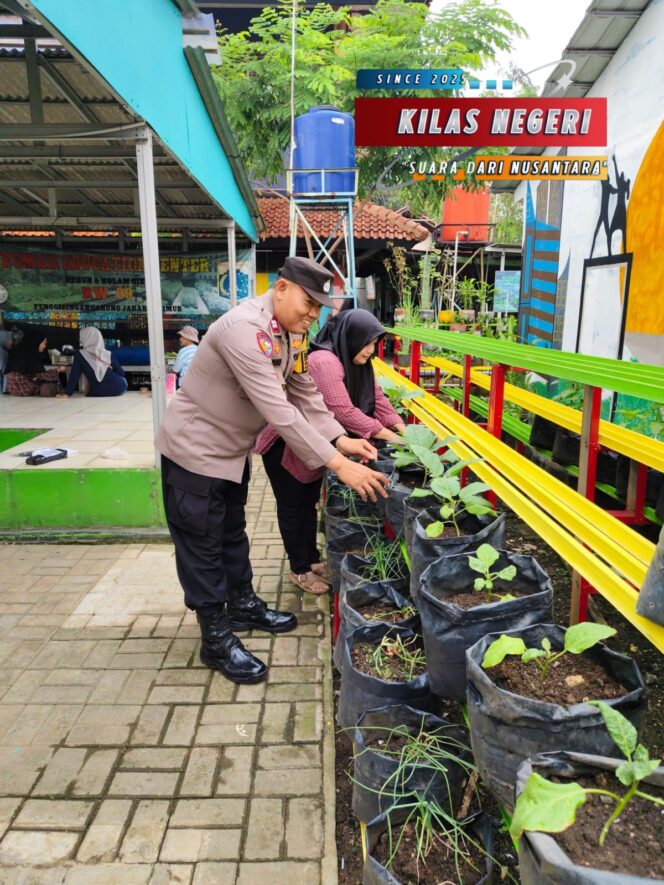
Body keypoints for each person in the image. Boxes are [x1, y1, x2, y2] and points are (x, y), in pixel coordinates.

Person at [157, 256, 388, 685]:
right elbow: (280, 412)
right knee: (202, 543)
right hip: (193, 453)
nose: (313, 314)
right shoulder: (245, 331)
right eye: (308, 302)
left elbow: (306, 395)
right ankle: (215, 637)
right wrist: (339, 465)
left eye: (320, 308)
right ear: (281, 288)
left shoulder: (290, 334)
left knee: (230, 531)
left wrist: (341, 438)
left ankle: (242, 603)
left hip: (229, 454)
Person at [256, 308, 405, 594]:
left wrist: (404, 430)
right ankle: (299, 570)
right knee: (292, 507)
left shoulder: (357, 361)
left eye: (376, 343)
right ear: (352, 336)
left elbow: (379, 399)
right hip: (286, 445)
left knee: (308, 504)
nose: (372, 350)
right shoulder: (325, 360)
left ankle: (311, 559)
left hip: (314, 445)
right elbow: (342, 411)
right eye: (369, 342)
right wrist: (387, 434)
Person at [58, 327, 127, 398]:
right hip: (120, 387)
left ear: (87, 338)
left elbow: (74, 375)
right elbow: (121, 373)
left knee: (90, 388)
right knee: (124, 380)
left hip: (96, 390)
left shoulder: (80, 354)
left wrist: (67, 393)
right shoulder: (107, 353)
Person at [5, 329, 60, 397]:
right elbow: (40, 375)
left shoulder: (20, 351)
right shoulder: (31, 355)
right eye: (44, 343)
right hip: (24, 386)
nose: (45, 346)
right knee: (46, 388)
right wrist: (57, 371)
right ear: (38, 342)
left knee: (41, 382)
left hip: (11, 388)